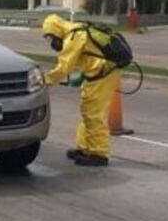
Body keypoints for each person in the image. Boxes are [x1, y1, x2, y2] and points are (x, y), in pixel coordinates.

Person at [41, 14, 122, 167]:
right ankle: (85, 148)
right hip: (97, 75)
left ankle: (99, 153)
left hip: (103, 75)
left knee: (94, 115)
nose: (51, 43)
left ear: (57, 30)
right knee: (87, 111)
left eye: (51, 38)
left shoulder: (74, 36)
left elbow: (64, 66)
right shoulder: (76, 30)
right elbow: (90, 57)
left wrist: (45, 81)